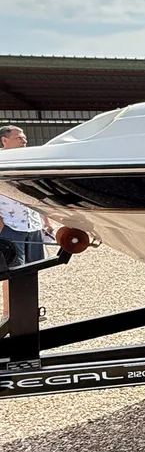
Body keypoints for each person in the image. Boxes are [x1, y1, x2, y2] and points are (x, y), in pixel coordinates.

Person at [0, 125, 54, 319]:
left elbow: (37, 196)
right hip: (11, 225)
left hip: (33, 224)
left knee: (33, 268)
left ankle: (31, 310)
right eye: (19, 137)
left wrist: (46, 220)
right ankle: (9, 313)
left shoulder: (30, 161)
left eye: (24, 137)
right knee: (11, 270)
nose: (24, 140)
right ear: (5, 141)